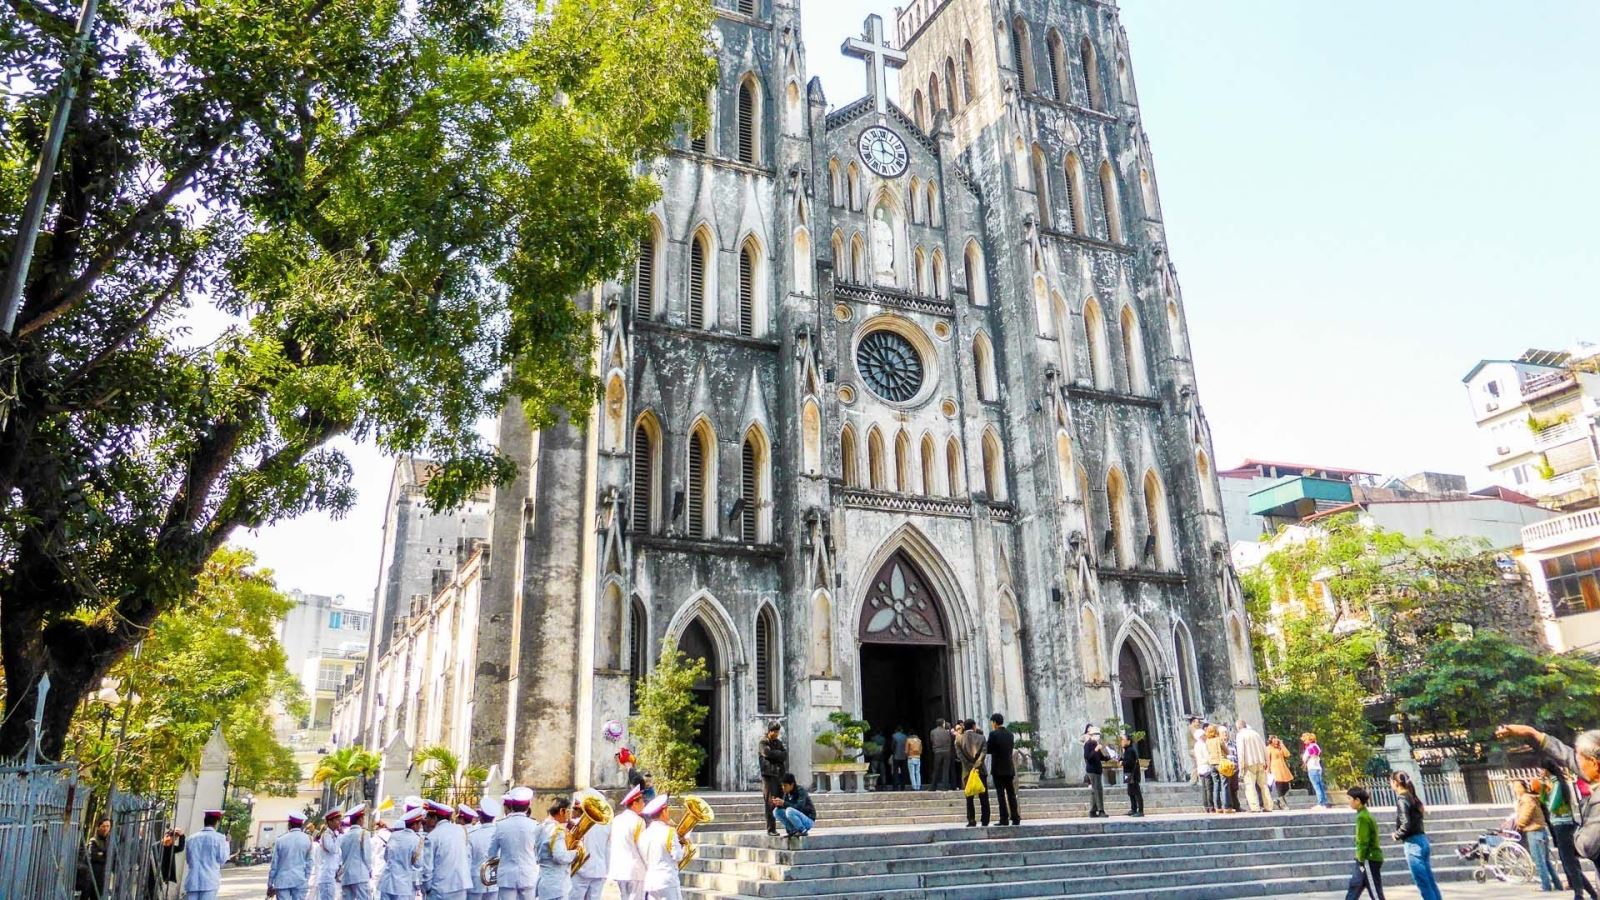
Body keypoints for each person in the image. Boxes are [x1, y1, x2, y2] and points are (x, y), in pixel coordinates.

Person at [1543, 758, 1599, 900]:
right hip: (1561, 826)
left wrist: (1543, 790)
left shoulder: (1557, 785)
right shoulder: (1555, 784)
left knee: (1570, 863)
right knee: (1571, 863)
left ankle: (1579, 894)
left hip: (1563, 826)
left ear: (1546, 770)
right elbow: (1545, 802)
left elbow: (1552, 806)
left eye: (1540, 770)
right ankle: (1591, 893)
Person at [488, 786, 539, 900]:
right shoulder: (535, 825)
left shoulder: (501, 825)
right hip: (529, 875)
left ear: (511, 806)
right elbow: (538, 852)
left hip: (507, 877)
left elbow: (491, 853)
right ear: (528, 806)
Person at [1518, 778, 1563, 893]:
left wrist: (1519, 824)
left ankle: (1545, 885)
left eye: (1516, 786)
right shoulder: (1532, 798)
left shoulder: (1527, 799)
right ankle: (1557, 884)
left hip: (1534, 832)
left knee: (1539, 861)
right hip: (1540, 831)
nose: (1515, 789)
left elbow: (1525, 815)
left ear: (1523, 787)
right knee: (1546, 860)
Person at [423, 799, 472, 900]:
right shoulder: (460, 830)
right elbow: (468, 856)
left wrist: (427, 889)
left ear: (435, 818)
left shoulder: (432, 836)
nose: (426, 820)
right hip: (461, 885)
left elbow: (427, 868)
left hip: (440, 888)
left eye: (427, 817)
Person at [606, 786, 647, 900]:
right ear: (634, 804)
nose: (644, 804)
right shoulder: (639, 821)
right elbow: (642, 848)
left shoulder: (617, 820)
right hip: (635, 870)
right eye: (642, 801)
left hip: (619, 870)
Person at [1343, 787, 1385, 900]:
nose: (1348, 801)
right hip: (1365, 860)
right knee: (1354, 887)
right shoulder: (1364, 815)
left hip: (1368, 860)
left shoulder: (1362, 818)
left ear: (1357, 800)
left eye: (1349, 798)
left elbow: (1363, 841)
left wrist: (1360, 859)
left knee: (1375, 892)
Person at [638, 795, 682, 900]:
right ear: (663, 812)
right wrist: (683, 846)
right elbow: (678, 856)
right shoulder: (669, 832)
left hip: (651, 881)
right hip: (667, 881)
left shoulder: (644, 834)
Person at [569, 790, 610, 900]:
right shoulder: (607, 825)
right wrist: (606, 870)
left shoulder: (576, 823)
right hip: (599, 870)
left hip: (580, 870)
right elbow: (608, 849)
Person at [534, 796, 578, 900]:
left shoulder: (541, 826)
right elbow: (560, 857)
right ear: (561, 811)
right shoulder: (557, 830)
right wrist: (576, 852)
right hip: (556, 885)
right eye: (568, 811)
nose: (569, 815)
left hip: (544, 880)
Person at [378, 809, 425, 900]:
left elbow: (386, 857)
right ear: (414, 825)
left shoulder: (394, 835)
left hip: (387, 882)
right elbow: (418, 863)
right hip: (403, 885)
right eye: (420, 823)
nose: (420, 826)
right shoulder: (417, 840)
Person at [184, 809, 231, 900]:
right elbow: (223, 859)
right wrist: (227, 843)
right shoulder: (220, 838)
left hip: (192, 881)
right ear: (217, 822)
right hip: (210, 882)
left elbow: (189, 860)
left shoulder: (191, 838)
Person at [268, 813, 315, 900]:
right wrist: (306, 879)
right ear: (301, 825)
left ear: (289, 824)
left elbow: (274, 865)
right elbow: (310, 862)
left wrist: (270, 884)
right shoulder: (308, 840)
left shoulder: (280, 840)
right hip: (300, 880)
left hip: (282, 881)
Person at [986, 714, 1020, 826]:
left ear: (995, 722)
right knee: (1011, 793)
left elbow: (988, 749)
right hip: (1009, 768)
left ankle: (1004, 818)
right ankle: (1015, 817)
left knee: (1001, 794)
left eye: (992, 722)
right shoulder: (1010, 734)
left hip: (998, 768)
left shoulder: (993, 734)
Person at [957, 717, 990, 827]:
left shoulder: (958, 739)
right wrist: (976, 765)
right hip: (980, 770)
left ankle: (971, 819)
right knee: (984, 796)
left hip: (967, 772)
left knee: (969, 797)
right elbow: (983, 754)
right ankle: (985, 819)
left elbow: (960, 756)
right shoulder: (981, 738)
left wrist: (970, 767)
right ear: (974, 726)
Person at [337, 805, 375, 900]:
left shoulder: (344, 836)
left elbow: (341, 856)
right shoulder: (364, 834)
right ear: (360, 819)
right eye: (363, 818)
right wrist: (370, 870)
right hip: (360, 874)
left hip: (346, 875)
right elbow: (367, 856)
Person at [757, 723, 787, 836]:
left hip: (779, 775)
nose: (776, 734)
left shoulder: (778, 743)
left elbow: (784, 755)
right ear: (769, 731)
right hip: (768, 776)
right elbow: (766, 753)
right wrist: (777, 754)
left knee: (780, 802)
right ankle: (771, 829)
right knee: (770, 803)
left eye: (777, 732)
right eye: (774, 731)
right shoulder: (763, 742)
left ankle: (787, 826)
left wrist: (775, 755)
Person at [1234, 719, 1270, 813]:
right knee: (1264, 785)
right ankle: (1268, 806)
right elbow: (1264, 748)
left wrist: (1241, 767)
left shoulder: (1240, 735)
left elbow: (1241, 752)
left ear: (1238, 727)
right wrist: (1266, 762)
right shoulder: (1255, 733)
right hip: (1260, 761)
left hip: (1248, 763)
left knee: (1250, 786)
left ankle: (1255, 807)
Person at [466, 799, 498, 900]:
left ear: (480, 816)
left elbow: (467, 860)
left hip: (475, 880)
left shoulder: (472, 835)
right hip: (495, 879)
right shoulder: (499, 832)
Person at [316, 810, 344, 900]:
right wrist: (340, 835)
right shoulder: (327, 835)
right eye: (337, 820)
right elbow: (333, 849)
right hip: (326, 876)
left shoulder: (333, 835)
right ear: (330, 822)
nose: (339, 822)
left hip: (331, 875)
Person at [1082, 724, 1108, 819]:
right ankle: (1101, 810)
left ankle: (1092, 811)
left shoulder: (1096, 744)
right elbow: (1087, 757)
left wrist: (1108, 758)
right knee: (1097, 790)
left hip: (1098, 770)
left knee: (1094, 790)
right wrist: (1095, 750)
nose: (1097, 736)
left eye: (1098, 735)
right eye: (1096, 734)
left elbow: (1101, 757)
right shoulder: (1088, 744)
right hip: (1092, 770)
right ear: (1091, 735)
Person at [1303, 731, 1331, 809]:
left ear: (1309, 740)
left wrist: (1304, 759)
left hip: (1312, 768)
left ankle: (1320, 803)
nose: (1304, 742)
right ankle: (1324, 802)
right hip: (1318, 768)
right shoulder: (1316, 746)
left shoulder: (1310, 747)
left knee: (1316, 786)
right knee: (1320, 786)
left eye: (1305, 740)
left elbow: (1305, 758)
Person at [1204, 724, 1228, 814]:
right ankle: (1226, 806)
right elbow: (1227, 751)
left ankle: (1217, 807)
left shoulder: (1207, 741)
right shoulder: (1219, 740)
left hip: (1212, 763)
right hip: (1220, 762)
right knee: (1224, 784)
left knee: (1216, 785)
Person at [1193, 724, 1215, 814]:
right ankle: (1210, 806)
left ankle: (1206, 805)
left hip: (1200, 768)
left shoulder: (1196, 745)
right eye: (1203, 735)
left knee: (1204, 788)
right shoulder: (1202, 745)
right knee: (1209, 788)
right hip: (1205, 767)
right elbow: (1206, 756)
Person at [1267, 736, 1293, 811]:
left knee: (1286, 786)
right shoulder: (1269, 748)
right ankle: (1283, 803)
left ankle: (1278, 800)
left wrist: (1282, 745)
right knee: (1279, 786)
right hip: (1275, 767)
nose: (1276, 741)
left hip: (1283, 767)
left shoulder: (1280, 747)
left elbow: (1287, 754)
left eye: (1277, 739)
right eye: (1274, 739)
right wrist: (1268, 769)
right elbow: (1268, 759)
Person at [1120, 735, 1144, 817]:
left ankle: (1140, 810)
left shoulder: (1130, 750)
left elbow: (1130, 763)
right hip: (1127, 773)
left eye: (1123, 740)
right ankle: (1133, 809)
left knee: (1136, 792)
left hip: (1133, 774)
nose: (1122, 741)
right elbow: (1126, 760)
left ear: (1128, 741)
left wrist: (1122, 763)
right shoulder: (1126, 751)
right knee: (1130, 792)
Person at [160, 827, 186, 900]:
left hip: (165, 876)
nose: (175, 840)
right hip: (167, 876)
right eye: (175, 838)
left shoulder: (167, 846)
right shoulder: (169, 846)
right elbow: (181, 848)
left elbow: (180, 848)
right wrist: (182, 835)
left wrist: (181, 836)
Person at [929, 719, 953, 791]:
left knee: (936, 769)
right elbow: (950, 741)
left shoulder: (933, 732)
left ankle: (933, 787)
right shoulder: (947, 732)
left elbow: (932, 741)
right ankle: (945, 786)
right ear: (943, 724)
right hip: (947, 751)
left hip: (937, 751)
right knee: (945, 769)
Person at [891, 725, 909, 791]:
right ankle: (902, 787)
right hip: (904, 756)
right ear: (901, 730)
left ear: (896, 730)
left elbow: (892, 746)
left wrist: (893, 752)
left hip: (896, 756)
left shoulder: (894, 736)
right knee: (903, 772)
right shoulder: (905, 736)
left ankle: (895, 786)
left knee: (895, 772)